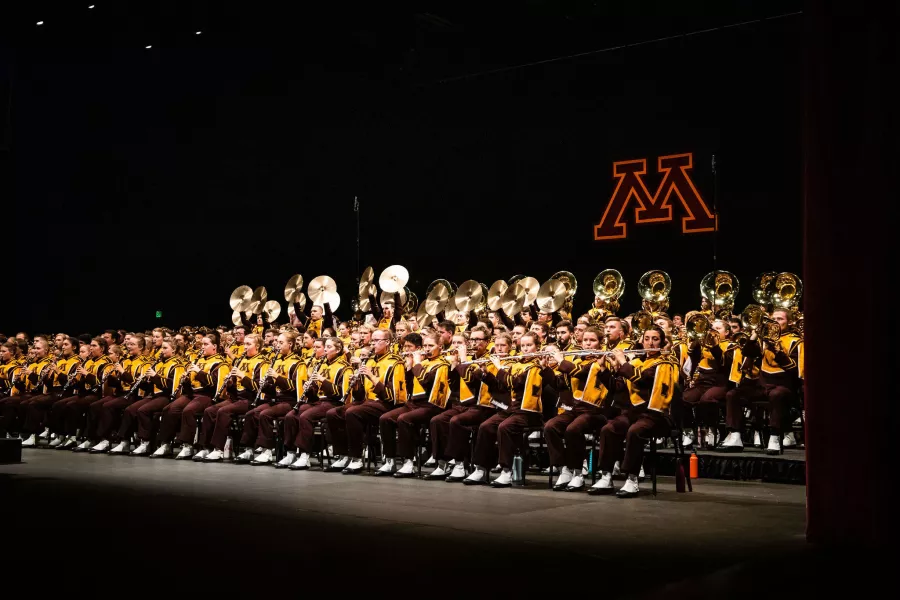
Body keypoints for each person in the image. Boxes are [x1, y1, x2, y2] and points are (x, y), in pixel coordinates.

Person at [590, 325, 678, 498]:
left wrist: (623, 362)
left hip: (657, 414)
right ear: (641, 340)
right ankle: (606, 476)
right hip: (635, 413)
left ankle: (632, 479)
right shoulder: (637, 362)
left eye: (655, 339)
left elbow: (643, 380)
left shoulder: (665, 363)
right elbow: (617, 388)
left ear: (662, 342)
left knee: (635, 431)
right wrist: (603, 369)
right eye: (647, 338)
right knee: (609, 429)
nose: (650, 343)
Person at [464, 332, 552, 488]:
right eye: (523, 345)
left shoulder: (536, 366)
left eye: (529, 345)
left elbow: (515, 382)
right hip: (512, 409)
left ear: (537, 347)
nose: (525, 349)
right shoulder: (517, 364)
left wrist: (498, 368)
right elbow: (502, 387)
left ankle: (506, 470)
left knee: (505, 427)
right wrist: (485, 373)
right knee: (485, 426)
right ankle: (481, 469)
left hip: (528, 412)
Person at [544, 326, 621, 491]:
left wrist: (560, 360)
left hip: (597, 411)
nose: (588, 343)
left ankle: (578, 473)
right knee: (551, 426)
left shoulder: (603, 359)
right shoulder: (578, 359)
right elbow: (561, 385)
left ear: (601, 343)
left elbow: (580, 373)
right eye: (585, 340)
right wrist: (545, 369)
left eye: (592, 340)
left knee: (573, 429)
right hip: (577, 409)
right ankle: (564, 468)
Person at [334, 329, 407, 475]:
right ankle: (343, 455)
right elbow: (360, 395)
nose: (373, 343)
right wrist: (355, 385)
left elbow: (393, 397)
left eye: (376, 340)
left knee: (352, 412)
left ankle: (357, 458)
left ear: (387, 342)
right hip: (368, 403)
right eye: (372, 340)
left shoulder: (395, 363)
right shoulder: (370, 360)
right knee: (334, 412)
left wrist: (371, 376)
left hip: (386, 404)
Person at [150, 334, 229, 459]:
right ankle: (165, 444)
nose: (202, 347)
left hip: (206, 395)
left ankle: (188, 446)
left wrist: (198, 372)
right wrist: (185, 380)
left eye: (206, 344)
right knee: (169, 409)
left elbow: (215, 385)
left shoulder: (220, 362)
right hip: (192, 394)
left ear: (214, 346)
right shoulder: (199, 360)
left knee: (189, 410)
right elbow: (190, 384)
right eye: (201, 344)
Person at [281, 337, 350, 470]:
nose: (325, 349)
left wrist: (322, 381)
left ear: (338, 349)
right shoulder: (320, 364)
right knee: (291, 415)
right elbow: (314, 394)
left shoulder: (344, 367)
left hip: (334, 403)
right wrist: (309, 387)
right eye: (326, 347)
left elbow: (341, 394)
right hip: (318, 402)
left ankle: (304, 455)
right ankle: (290, 453)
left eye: (329, 347)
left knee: (306, 416)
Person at [198, 333, 270, 462]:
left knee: (223, 411)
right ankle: (205, 447)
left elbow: (260, 388)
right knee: (210, 411)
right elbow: (235, 388)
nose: (245, 347)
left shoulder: (262, 362)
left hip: (252, 399)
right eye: (244, 344)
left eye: (249, 344)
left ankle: (218, 449)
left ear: (257, 346)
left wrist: (243, 377)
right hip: (237, 398)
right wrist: (230, 383)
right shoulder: (240, 360)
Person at [234, 331, 303, 464]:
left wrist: (277, 377)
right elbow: (272, 389)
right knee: (251, 414)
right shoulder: (275, 361)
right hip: (276, 399)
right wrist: (264, 385)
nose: (278, 345)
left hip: (290, 400)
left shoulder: (297, 363)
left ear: (290, 344)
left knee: (265, 414)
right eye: (278, 342)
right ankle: (249, 450)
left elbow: (295, 387)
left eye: (281, 343)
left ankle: (267, 451)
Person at [111, 339, 184, 455]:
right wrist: (142, 382)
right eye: (161, 348)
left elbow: (172, 387)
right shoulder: (158, 364)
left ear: (174, 350)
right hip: (153, 395)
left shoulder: (177, 365)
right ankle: (124, 442)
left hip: (166, 397)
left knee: (143, 410)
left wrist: (155, 377)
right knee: (130, 409)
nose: (162, 351)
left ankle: (146, 442)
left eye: (165, 348)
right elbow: (148, 387)